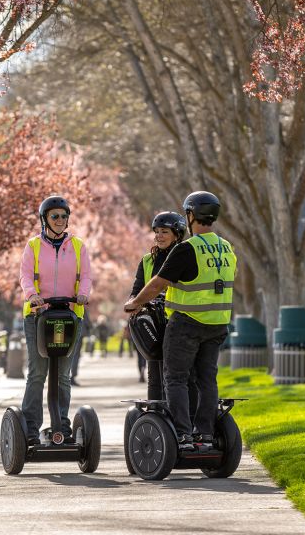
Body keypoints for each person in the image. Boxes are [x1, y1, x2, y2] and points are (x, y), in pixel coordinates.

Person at [124, 192, 236, 450]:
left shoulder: (188, 249)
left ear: (191, 215)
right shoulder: (226, 248)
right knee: (207, 380)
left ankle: (183, 435)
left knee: (175, 378)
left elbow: (158, 284)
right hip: (218, 323)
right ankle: (205, 434)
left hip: (187, 323)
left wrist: (135, 303)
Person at [19, 195, 91, 444]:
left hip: (70, 314)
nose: (60, 220)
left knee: (62, 375)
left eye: (64, 216)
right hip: (38, 315)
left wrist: (83, 294)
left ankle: (61, 426)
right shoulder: (33, 246)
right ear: (44, 219)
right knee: (37, 373)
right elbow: (25, 276)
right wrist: (32, 296)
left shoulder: (79, 246)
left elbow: (87, 277)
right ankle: (30, 428)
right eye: (55, 216)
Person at [128, 211, 187, 399]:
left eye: (165, 232)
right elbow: (137, 289)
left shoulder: (185, 257)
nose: (159, 236)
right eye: (157, 232)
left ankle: (176, 415)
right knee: (154, 372)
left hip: (177, 321)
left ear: (177, 234)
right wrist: (132, 302)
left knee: (175, 374)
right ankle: (155, 416)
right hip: (154, 322)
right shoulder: (147, 260)